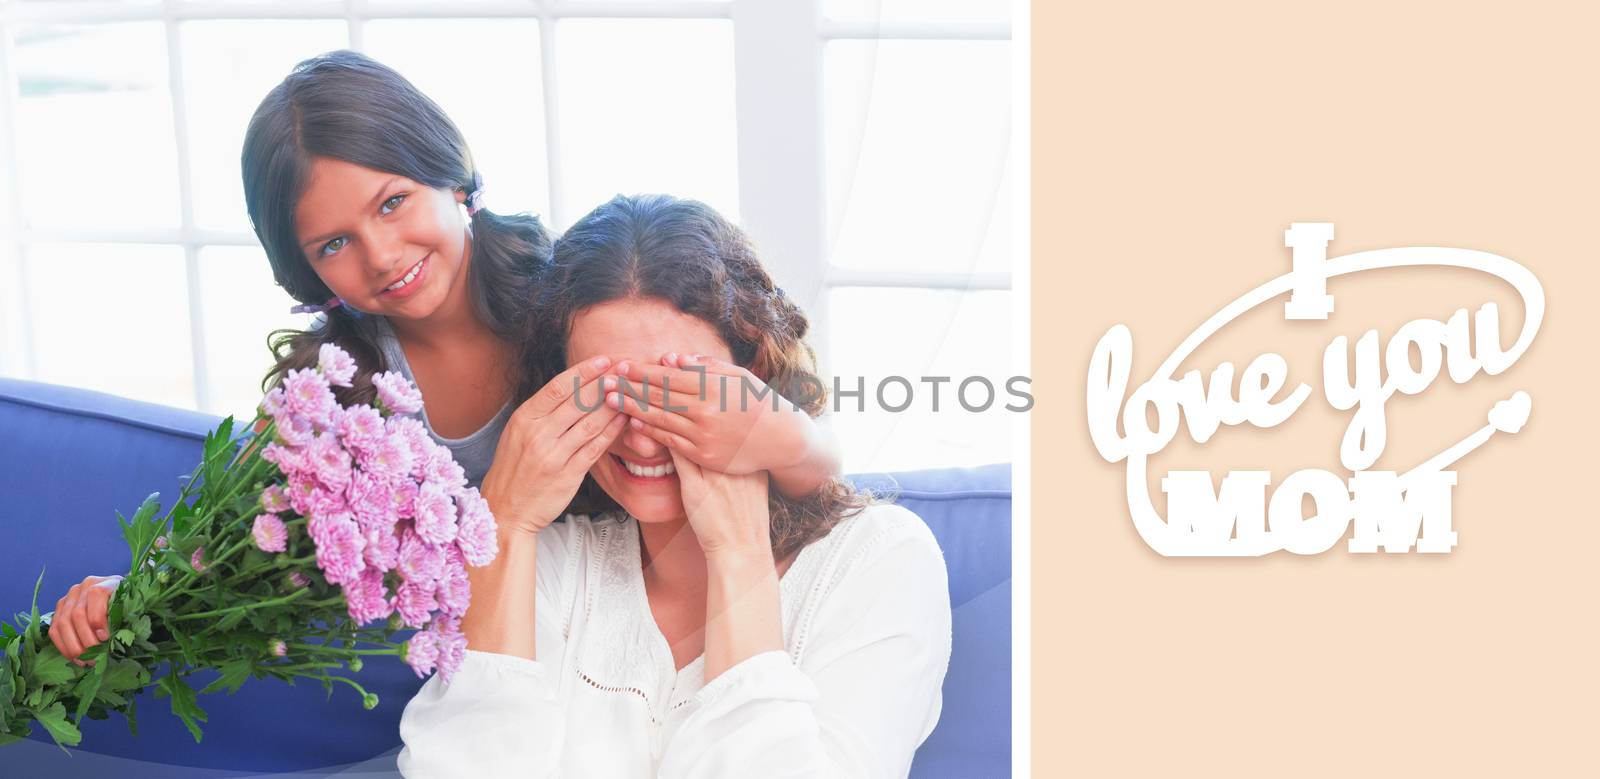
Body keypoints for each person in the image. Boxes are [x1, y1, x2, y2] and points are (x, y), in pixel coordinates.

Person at [45, 51, 842, 670]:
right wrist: (135, 589)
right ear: (304, 269)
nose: (384, 254)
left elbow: (795, 444)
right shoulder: (327, 388)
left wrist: (797, 443)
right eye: (334, 244)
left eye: (393, 202)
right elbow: (228, 524)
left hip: (615, 627)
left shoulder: (567, 295)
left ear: (453, 180)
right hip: (478, 663)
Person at [397, 194, 952, 777]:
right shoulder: (550, 565)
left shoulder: (880, 559)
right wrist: (505, 523)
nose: (641, 437)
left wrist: (738, 555)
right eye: (604, 395)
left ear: (754, 378)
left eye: (679, 390)